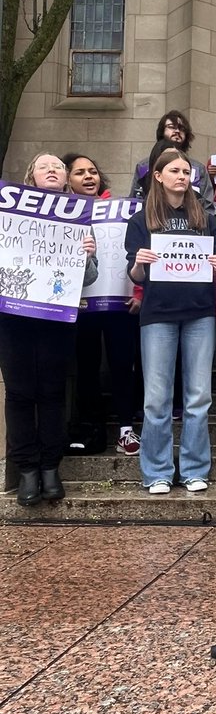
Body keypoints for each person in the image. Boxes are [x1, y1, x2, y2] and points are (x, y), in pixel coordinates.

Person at [125, 147, 216, 494]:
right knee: (156, 398)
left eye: (186, 171)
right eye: (174, 171)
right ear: (158, 176)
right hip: (158, 315)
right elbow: (137, 277)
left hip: (199, 313)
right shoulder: (141, 220)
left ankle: (194, 468)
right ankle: (156, 471)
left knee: (199, 396)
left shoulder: (206, 218)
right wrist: (140, 263)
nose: (182, 177)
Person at [0, 154, 97, 506]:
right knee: (20, 392)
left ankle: (50, 468)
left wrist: (86, 257)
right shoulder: (9, 216)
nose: (53, 170)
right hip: (14, 319)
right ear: (31, 176)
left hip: (56, 318)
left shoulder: (80, 219)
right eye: (45, 166)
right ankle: (26, 469)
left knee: (53, 392)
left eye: (58, 166)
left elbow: (89, 279)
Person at [62, 152, 141, 457]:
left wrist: (138, 293)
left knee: (123, 364)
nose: (88, 176)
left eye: (92, 171)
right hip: (81, 306)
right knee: (87, 367)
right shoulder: (63, 214)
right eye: (80, 172)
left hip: (121, 304)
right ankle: (91, 426)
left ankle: (125, 428)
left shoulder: (123, 209)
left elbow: (137, 250)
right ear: (69, 179)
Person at [130, 110, 216, 218]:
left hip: (191, 223)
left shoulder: (199, 168)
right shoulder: (143, 166)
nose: (177, 131)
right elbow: (135, 201)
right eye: (171, 127)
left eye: (181, 128)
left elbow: (208, 206)